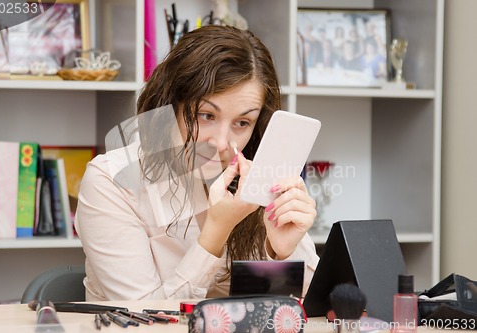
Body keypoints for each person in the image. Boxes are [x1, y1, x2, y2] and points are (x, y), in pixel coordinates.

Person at [74, 25, 320, 301]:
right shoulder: (111, 180)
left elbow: (311, 312)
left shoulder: (255, 179)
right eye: (206, 115)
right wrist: (216, 231)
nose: (221, 143)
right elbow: (143, 321)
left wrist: (281, 253)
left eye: (242, 122)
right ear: (169, 104)